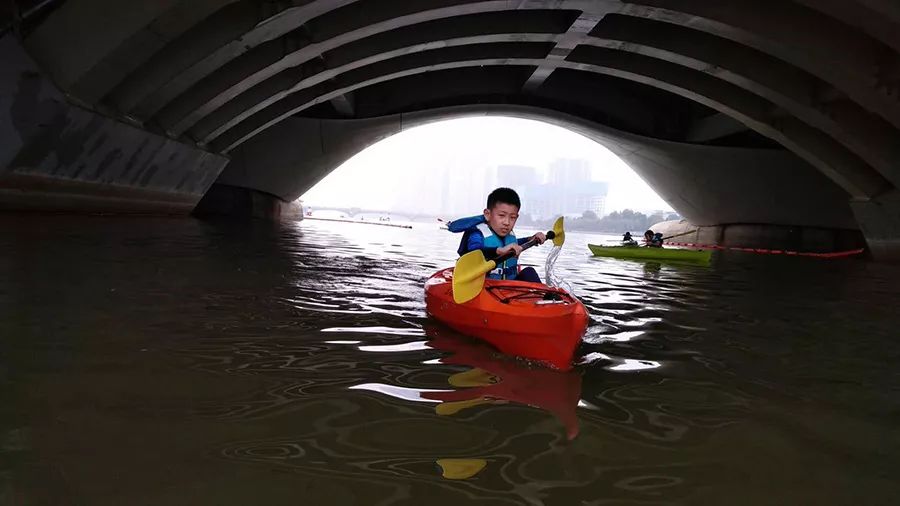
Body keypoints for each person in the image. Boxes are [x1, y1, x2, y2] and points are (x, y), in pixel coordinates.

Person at [447, 187, 546, 283]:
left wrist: (531, 238)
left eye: (512, 217)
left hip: (509, 286)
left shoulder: (509, 236)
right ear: (487, 214)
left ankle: (549, 297)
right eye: (501, 216)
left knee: (529, 272)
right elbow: (474, 251)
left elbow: (514, 244)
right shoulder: (477, 234)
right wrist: (498, 251)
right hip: (484, 285)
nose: (507, 222)